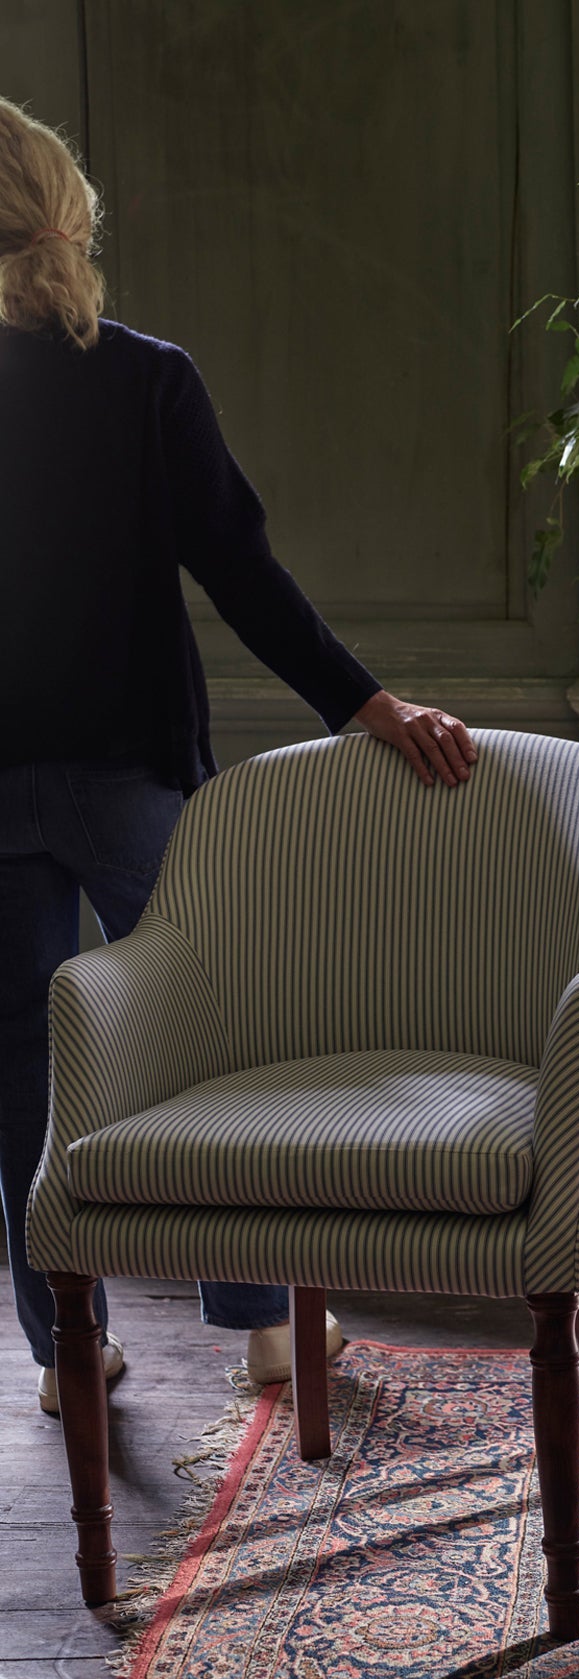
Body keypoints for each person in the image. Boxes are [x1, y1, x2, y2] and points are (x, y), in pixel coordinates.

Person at [0, 98, 478, 1413]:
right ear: (71, 218)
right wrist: (371, 707)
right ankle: (268, 1330)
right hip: (128, 777)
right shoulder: (148, 378)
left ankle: (67, 1354)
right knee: (213, 1037)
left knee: (18, 1064)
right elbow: (245, 576)